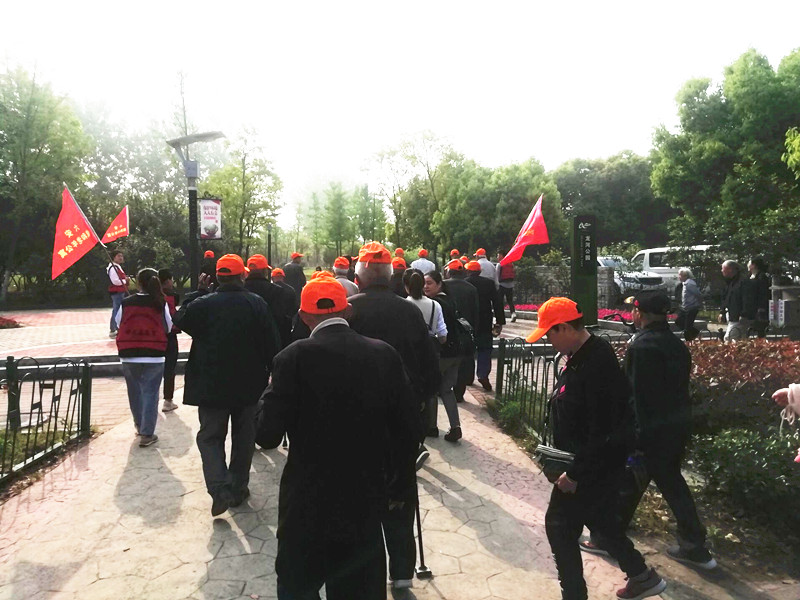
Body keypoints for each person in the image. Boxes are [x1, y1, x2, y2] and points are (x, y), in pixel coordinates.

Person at [255, 273, 419, 600]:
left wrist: (267, 393)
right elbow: (407, 428)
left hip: (306, 502)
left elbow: (267, 435)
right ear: (347, 311)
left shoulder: (291, 358)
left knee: (298, 587)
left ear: (303, 316)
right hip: (364, 500)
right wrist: (400, 485)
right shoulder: (383, 354)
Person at [527, 297, 667, 600]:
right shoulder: (582, 355)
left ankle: (575, 594)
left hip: (592, 465)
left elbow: (601, 429)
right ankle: (642, 576)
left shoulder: (595, 363)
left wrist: (575, 474)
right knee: (600, 520)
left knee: (559, 525)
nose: (548, 341)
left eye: (549, 334)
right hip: (591, 462)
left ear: (565, 328)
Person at [583, 291, 716, 571]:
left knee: (626, 484)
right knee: (672, 485)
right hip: (675, 428)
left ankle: (607, 538)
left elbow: (637, 395)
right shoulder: (676, 345)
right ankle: (695, 547)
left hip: (648, 433)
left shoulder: (641, 347)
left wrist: (633, 435)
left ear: (639, 313)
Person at [348, 242, 439, 590]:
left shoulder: (349, 311)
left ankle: (366, 575)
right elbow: (430, 372)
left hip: (357, 422)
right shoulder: (409, 312)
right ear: (391, 277)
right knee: (401, 494)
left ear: (358, 277)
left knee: (361, 498)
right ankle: (401, 573)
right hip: (401, 421)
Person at [174, 254, 280, 516]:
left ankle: (219, 488)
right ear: (242, 275)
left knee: (210, 437)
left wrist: (198, 292)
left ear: (218, 278)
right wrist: (273, 372)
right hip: (248, 385)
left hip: (210, 385)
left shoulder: (203, 304)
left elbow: (180, 318)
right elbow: (271, 342)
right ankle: (238, 488)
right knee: (244, 438)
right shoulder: (256, 303)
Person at [115, 268, 173, 447]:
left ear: (138, 283)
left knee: (135, 393)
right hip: (154, 354)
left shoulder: (126, 302)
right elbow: (168, 326)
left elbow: (118, 322)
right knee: (150, 393)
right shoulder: (160, 302)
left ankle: (139, 426)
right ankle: (147, 434)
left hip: (129, 354)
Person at [403, 269, 447, 436]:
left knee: (410, 387)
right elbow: (443, 335)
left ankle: (413, 423)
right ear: (423, 284)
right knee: (431, 389)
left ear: (406, 286)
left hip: (409, 353)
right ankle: (432, 426)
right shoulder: (435, 305)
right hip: (430, 352)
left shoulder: (403, 305)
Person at [425, 270, 464, 442]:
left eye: (429, 283)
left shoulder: (435, 304)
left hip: (442, 353)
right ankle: (455, 427)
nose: (425, 287)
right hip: (456, 352)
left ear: (439, 284)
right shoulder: (450, 300)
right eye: (424, 283)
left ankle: (432, 427)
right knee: (447, 390)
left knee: (432, 389)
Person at [443, 259, 479, 403]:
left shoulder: (443, 286)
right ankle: (459, 393)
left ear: (449, 272)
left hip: (447, 330)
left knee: (446, 362)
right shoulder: (471, 288)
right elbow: (475, 312)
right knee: (463, 364)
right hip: (464, 331)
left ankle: (443, 390)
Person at [465, 260, 505, 391]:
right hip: (485, 320)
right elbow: (497, 303)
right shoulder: (488, 283)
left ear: (467, 271)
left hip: (468, 321)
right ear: (479, 271)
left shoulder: (465, 283)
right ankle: (483, 374)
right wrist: (499, 321)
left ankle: (468, 376)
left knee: (469, 349)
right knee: (485, 348)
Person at [245, 254, 295, 349]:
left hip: (246, 342)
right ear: (265, 271)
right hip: (269, 342)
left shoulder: (242, 290)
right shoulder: (276, 291)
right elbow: (281, 319)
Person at [158, 268, 180, 413]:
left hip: (154, 337)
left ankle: (152, 398)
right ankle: (168, 400)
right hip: (170, 336)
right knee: (170, 369)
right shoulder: (172, 296)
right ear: (167, 281)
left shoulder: (150, 297)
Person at [719, 260, 756, 341]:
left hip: (739, 316)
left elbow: (747, 299)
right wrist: (723, 312)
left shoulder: (743, 282)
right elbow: (726, 299)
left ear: (730, 269)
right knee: (739, 339)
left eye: (723, 268)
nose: (721, 271)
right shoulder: (730, 282)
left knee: (729, 338)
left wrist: (744, 314)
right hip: (733, 316)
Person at [675, 268, 702, 341]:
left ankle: (689, 341)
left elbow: (698, 294)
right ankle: (695, 332)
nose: (679, 277)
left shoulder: (690, 284)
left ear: (685, 276)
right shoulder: (684, 283)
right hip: (685, 308)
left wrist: (698, 303)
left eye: (680, 275)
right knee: (678, 321)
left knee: (687, 328)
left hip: (691, 308)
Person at [107, 250, 128, 338]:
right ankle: (115, 329)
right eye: (119, 256)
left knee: (117, 309)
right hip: (117, 292)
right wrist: (125, 281)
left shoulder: (117, 267)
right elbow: (115, 281)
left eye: (121, 256)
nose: (121, 258)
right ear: (114, 257)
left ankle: (115, 328)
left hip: (120, 291)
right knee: (117, 310)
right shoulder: (113, 268)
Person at [749, 257, 770, 338]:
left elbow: (763, 293)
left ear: (754, 265)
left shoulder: (762, 276)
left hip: (760, 306)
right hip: (753, 306)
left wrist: (761, 307)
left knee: (761, 328)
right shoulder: (752, 276)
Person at [495, 250, 517, 322]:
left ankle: (501, 316)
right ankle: (513, 313)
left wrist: (496, 285)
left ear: (502, 255)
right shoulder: (511, 264)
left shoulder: (499, 264)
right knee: (510, 301)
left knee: (500, 301)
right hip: (510, 285)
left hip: (501, 285)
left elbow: (496, 276)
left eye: (498, 255)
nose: (497, 257)